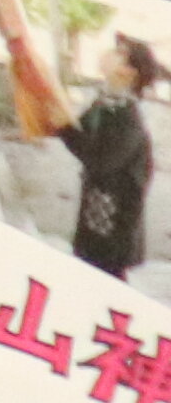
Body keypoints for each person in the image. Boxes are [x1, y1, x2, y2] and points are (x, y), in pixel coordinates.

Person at [80, 39, 160, 284]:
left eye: (119, 53)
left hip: (114, 226)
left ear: (128, 72)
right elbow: (81, 137)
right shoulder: (105, 101)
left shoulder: (128, 116)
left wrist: (62, 128)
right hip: (96, 213)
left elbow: (101, 161)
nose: (107, 53)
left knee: (107, 282)